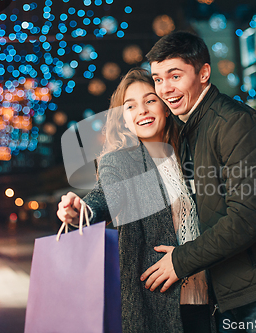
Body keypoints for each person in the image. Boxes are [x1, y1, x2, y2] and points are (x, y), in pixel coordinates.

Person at [140, 31, 256, 332]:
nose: (165, 89)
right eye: (158, 79)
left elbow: (248, 216)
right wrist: (84, 206)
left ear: (204, 73)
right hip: (237, 291)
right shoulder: (191, 128)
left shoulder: (234, 124)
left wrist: (180, 261)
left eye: (174, 76)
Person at [57, 68, 214, 333]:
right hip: (158, 300)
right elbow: (106, 195)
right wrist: (81, 210)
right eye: (130, 106)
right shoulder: (119, 161)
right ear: (123, 120)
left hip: (206, 296)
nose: (142, 110)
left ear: (165, 107)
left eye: (150, 100)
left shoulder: (189, 153)